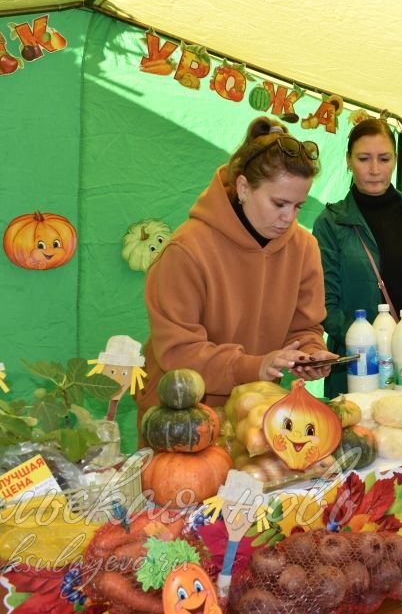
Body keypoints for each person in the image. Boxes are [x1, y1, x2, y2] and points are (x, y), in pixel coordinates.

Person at [137, 117, 336, 443]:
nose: (289, 218)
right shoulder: (186, 250)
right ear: (244, 188)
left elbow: (304, 328)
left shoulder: (304, 247)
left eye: (299, 206)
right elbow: (178, 353)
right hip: (182, 422)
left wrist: (311, 355)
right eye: (279, 203)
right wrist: (254, 366)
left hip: (257, 419)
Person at [312, 118, 402, 403]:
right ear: (349, 161)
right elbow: (324, 303)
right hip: (357, 369)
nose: (375, 170)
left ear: (396, 160)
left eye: (384, 158)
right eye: (364, 159)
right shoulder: (331, 224)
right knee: (359, 446)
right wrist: (371, 347)